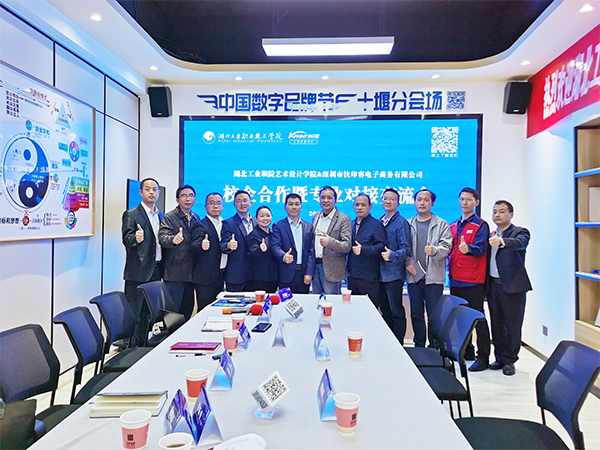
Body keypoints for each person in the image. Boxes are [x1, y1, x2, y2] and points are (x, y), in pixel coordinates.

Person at [487, 200, 532, 376]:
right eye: (494, 211)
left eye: (501, 211)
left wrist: (501, 242)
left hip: (513, 287)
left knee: (512, 325)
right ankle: (499, 358)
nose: (497, 215)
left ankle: (510, 360)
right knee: (496, 324)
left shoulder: (520, 232)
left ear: (511, 214)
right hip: (493, 285)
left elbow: (520, 243)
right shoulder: (491, 234)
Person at [448, 187, 491, 371]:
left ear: (476, 202)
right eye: (462, 199)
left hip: (473, 280)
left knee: (478, 318)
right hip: (455, 278)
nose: (464, 202)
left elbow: (481, 249)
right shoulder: (453, 224)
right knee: (460, 318)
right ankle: (467, 351)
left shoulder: (481, 225)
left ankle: (483, 357)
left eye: (469, 199)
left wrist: (469, 249)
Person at [405, 188, 452, 348]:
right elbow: (404, 247)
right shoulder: (408, 224)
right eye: (419, 199)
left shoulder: (442, 224)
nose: (422, 203)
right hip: (414, 276)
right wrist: (408, 262)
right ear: (414, 202)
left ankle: (434, 347)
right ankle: (419, 346)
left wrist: (434, 250)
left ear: (432, 203)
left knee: (434, 316)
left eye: (426, 200)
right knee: (416, 314)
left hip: (434, 278)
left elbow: (447, 246)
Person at [121, 177, 163, 346]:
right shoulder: (131, 214)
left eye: (154, 189)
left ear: (158, 192)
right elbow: (127, 240)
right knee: (134, 314)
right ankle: (131, 349)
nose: (151, 192)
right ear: (140, 192)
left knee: (149, 313)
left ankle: (144, 347)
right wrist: (136, 239)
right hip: (138, 272)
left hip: (156, 271)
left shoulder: (160, 215)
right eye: (147, 189)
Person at [158, 185, 200, 320]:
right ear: (177, 200)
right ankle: (170, 334)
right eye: (184, 196)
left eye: (191, 195)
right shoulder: (170, 217)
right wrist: (173, 239)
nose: (188, 199)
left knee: (187, 309)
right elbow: (162, 237)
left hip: (191, 273)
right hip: (174, 273)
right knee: (173, 311)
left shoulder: (196, 217)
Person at [379, 188, 411, 344]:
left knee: (396, 312)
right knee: (385, 312)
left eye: (392, 199)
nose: (388, 201)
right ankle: (388, 343)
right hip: (379, 274)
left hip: (393, 274)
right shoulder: (380, 221)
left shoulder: (401, 222)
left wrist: (392, 255)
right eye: (385, 198)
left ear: (398, 203)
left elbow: (406, 249)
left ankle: (399, 344)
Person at [347, 193, 386, 308]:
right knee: (353, 310)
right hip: (352, 275)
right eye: (357, 205)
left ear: (370, 207)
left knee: (369, 310)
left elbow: (382, 247)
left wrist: (363, 249)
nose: (359, 207)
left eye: (363, 205)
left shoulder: (376, 224)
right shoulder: (350, 224)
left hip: (369, 277)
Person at [311, 186, 352, 295]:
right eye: (322, 197)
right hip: (315, 267)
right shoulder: (316, 216)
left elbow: (347, 246)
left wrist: (330, 242)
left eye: (329, 198)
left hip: (332, 270)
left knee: (332, 302)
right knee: (316, 300)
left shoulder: (344, 219)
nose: (325, 200)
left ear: (335, 200)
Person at [271, 193, 315, 294]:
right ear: (285, 207)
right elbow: (275, 246)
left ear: (301, 207)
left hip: (304, 274)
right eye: (290, 204)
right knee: (286, 302)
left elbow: (311, 251)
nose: (294, 207)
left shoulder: (308, 226)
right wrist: (283, 256)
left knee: (303, 302)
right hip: (285, 274)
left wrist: (309, 272)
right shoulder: (278, 226)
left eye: (296, 204)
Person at [191, 193, 227, 311]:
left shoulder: (225, 224)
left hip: (221, 276)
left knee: (219, 311)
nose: (215, 206)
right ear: (206, 207)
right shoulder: (200, 224)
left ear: (222, 206)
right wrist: (201, 245)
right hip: (206, 278)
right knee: (205, 311)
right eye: (212, 203)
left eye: (218, 203)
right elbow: (193, 245)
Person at [220, 190, 257, 292]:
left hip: (255, 276)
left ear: (250, 202)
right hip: (236, 276)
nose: (242, 203)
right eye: (239, 201)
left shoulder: (257, 223)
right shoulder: (228, 223)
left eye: (245, 200)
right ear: (234, 204)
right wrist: (228, 245)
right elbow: (222, 245)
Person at [247, 206, 279, 292]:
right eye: (262, 216)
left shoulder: (274, 234)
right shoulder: (253, 234)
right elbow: (252, 253)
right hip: (258, 278)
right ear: (256, 219)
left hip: (273, 278)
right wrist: (260, 249)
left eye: (268, 215)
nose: (265, 218)